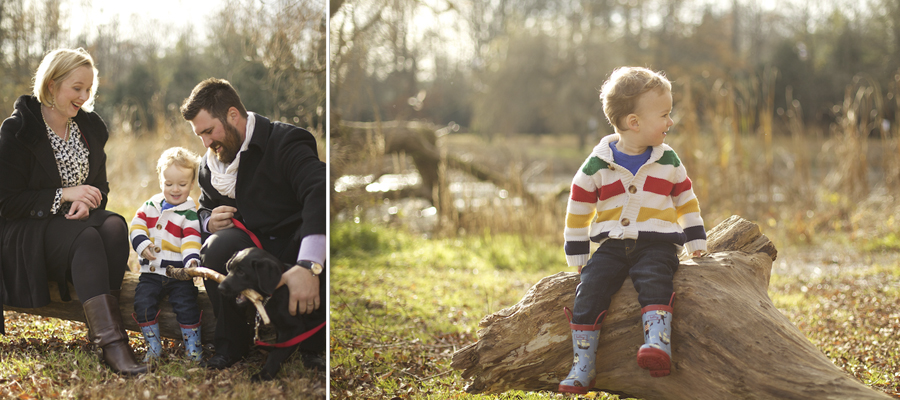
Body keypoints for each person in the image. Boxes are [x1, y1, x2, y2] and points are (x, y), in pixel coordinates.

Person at [559, 66, 707, 393]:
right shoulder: (597, 164)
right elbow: (579, 207)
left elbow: (685, 199)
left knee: (655, 278)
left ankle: (658, 345)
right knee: (589, 289)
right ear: (634, 123)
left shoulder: (668, 160)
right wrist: (578, 251)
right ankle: (583, 366)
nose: (671, 122)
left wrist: (695, 237)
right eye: (665, 115)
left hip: (657, 243)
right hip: (611, 245)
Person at [0, 48, 147, 374]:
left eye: (88, 89)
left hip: (72, 221)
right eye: (76, 88)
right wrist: (64, 194)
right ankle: (111, 344)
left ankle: (105, 330)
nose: (84, 96)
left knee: (112, 226)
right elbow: (7, 202)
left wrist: (87, 200)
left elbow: (100, 187)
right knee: (87, 238)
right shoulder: (18, 131)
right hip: (28, 229)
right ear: (52, 85)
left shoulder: (90, 128)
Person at [179, 78, 326, 370]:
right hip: (253, 252)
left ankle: (314, 346)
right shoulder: (211, 166)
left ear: (233, 115)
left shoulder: (286, 141)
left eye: (209, 131)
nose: (206, 143)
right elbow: (205, 206)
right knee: (215, 247)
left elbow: (319, 190)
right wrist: (209, 221)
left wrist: (310, 264)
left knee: (322, 244)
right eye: (200, 136)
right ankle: (232, 345)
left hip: (298, 245)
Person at [129, 147, 203, 362]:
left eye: (182, 184)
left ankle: (193, 349)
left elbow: (191, 240)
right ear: (161, 180)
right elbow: (136, 226)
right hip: (151, 272)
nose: (175, 189)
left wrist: (191, 261)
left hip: (179, 274)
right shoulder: (150, 206)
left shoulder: (189, 214)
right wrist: (142, 245)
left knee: (187, 305)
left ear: (191, 184)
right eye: (169, 184)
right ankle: (153, 348)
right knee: (142, 302)